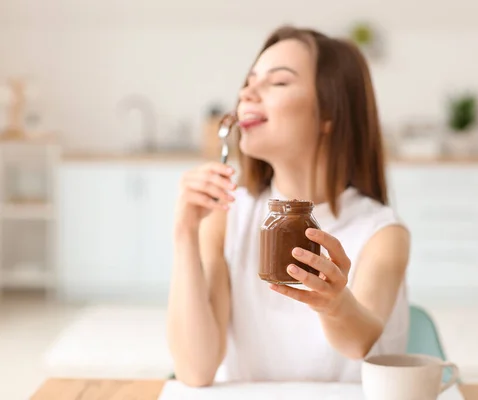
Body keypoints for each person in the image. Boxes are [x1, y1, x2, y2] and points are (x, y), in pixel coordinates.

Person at [167, 25, 410, 387]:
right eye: (249, 81)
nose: (246, 92)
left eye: (277, 83)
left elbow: (361, 343)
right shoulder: (227, 216)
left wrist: (334, 303)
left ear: (329, 113)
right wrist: (185, 232)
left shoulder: (381, 233)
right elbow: (195, 371)